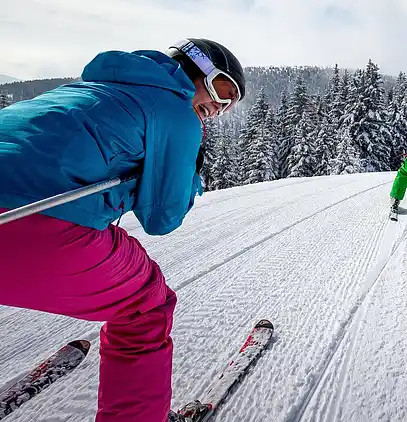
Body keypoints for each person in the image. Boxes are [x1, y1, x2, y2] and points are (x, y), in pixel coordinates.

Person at [0, 38, 245, 421]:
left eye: (229, 104)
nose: (218, 107)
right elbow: (163, 218)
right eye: (221, 89)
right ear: (193, 67)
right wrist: (191, 175)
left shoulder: (87, 88)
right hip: (32, 223)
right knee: (146, 305)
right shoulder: (176, 112)